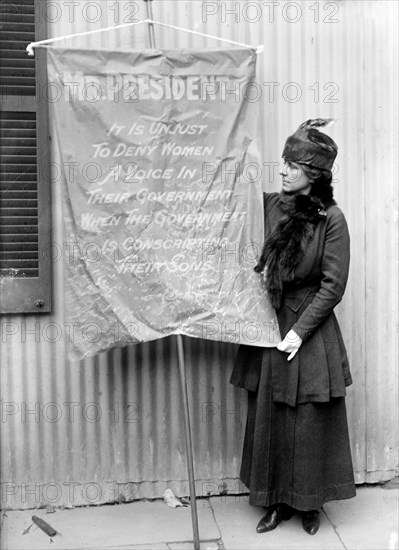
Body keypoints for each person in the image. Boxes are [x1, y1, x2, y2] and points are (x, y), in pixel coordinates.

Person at [230, 119, 356, 535]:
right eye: (282, 163)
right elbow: (225, 200)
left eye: (292, 165)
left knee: (308, 420)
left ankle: (310, 503)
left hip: (309, 329)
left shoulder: (331, 220)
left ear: (313, 174)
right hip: (270, 323)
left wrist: (300, 332)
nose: (282, 171)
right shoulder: (269, 204)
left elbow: (333, 286)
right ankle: (276, 503)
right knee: (273, 417)